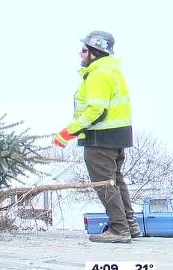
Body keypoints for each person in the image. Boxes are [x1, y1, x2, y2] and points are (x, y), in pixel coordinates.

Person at [54, 31, 139, 243]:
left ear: (95, 52)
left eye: (84, 50)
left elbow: (96, 111)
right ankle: (129, 225)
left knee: (104, 184)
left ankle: (119, 230)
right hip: (116, 138)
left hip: (100, 140)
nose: (80, 54)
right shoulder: (112, 71)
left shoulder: (98, 74)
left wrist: (68, 132)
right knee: (115, 182)